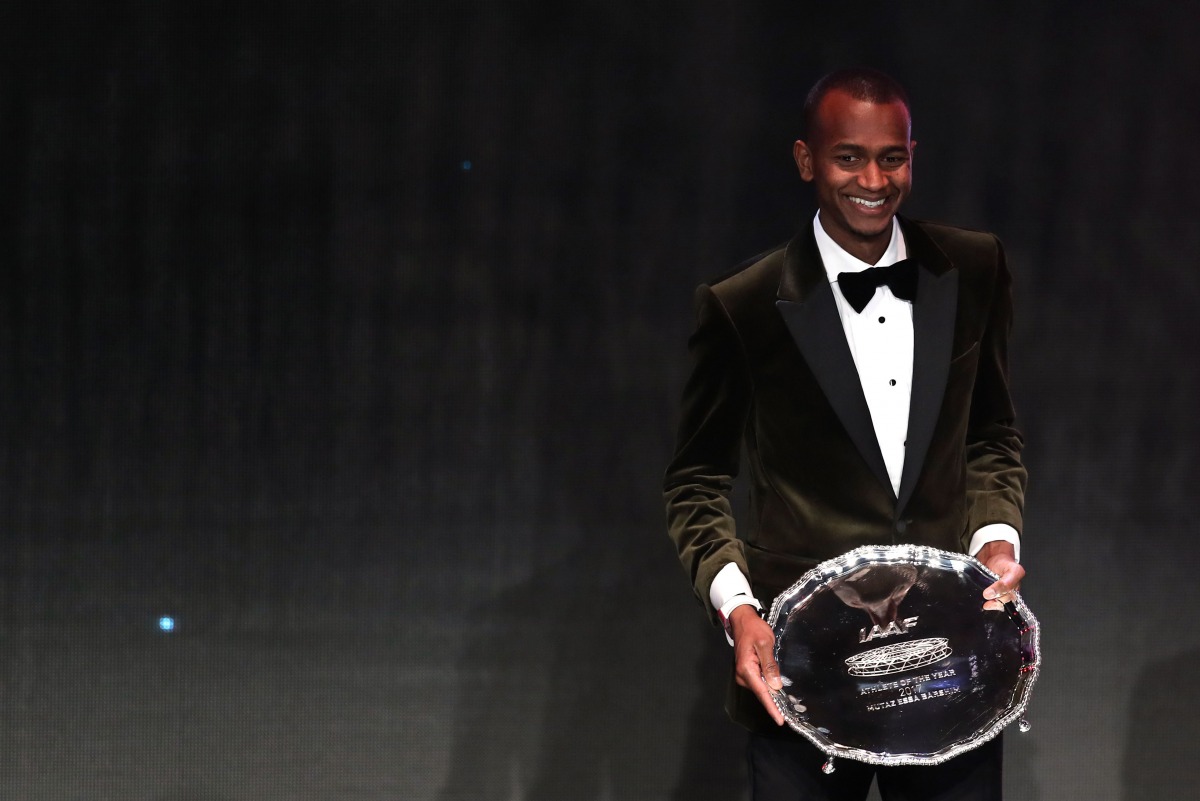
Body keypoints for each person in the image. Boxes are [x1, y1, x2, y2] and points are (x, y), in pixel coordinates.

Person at [663, 67, 1028, 801]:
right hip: (802, 668)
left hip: (946, 659)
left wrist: (995, 539)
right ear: (807, 161)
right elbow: (696, 481)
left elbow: (991, 434)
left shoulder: (974, 268)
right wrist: (739, 609)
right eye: (848, 157)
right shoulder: (744, 307)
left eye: (891, 157)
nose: (873, 178)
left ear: (912, 156)